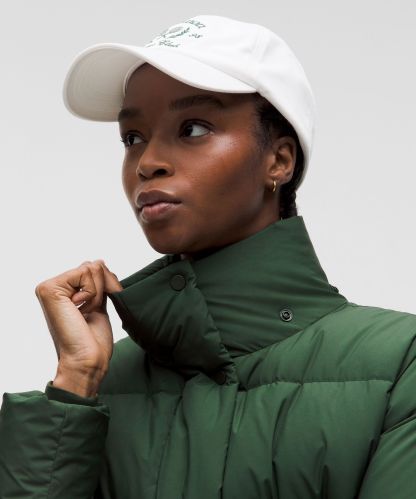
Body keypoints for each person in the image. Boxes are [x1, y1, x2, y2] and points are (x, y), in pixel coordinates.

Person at [0, 13, 415, 499]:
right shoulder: (98, 384)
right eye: (132, 138)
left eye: (193, 128)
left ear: (278, 159)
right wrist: (75, 382)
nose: (147, 162)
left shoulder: (399, 363)